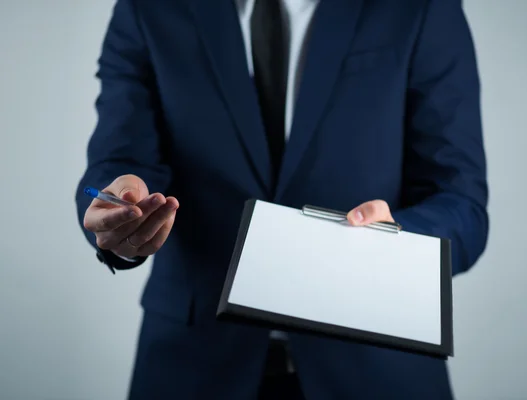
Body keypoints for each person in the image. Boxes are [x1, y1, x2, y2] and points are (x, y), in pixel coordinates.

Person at [75, 0, 488, 398]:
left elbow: (461, 204)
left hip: (379, 370)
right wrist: (120, 209)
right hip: (193, 368)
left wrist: (392, 242)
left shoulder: (420, 6)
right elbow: (120, 160)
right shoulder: (149, 7)